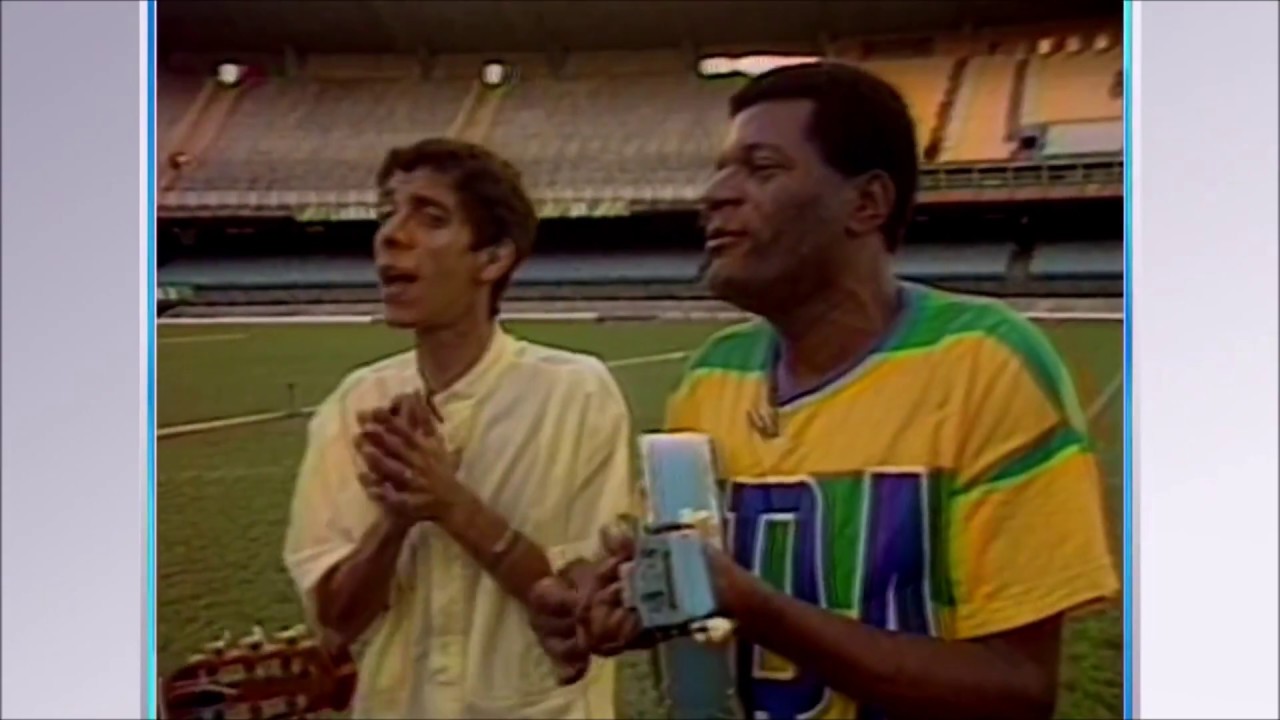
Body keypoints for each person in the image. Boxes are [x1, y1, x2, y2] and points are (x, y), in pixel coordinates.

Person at [530, 61, 1120, 720]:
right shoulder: (711, 379)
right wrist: (631, 607)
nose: (717, 194)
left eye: (762, 169)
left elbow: (1018, 689)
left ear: (866, 203)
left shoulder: (985, 363)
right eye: (722, 168)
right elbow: (703, 608)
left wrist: (759, 609)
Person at [283, 138, 633, 718]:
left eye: (430, 216)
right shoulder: (355, 405)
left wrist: (450, 504)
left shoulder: (575, 393)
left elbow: (582, 607)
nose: (392, 234)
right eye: (386, 213)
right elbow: (337, 621)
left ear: (492, 259)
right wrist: (393, 522)